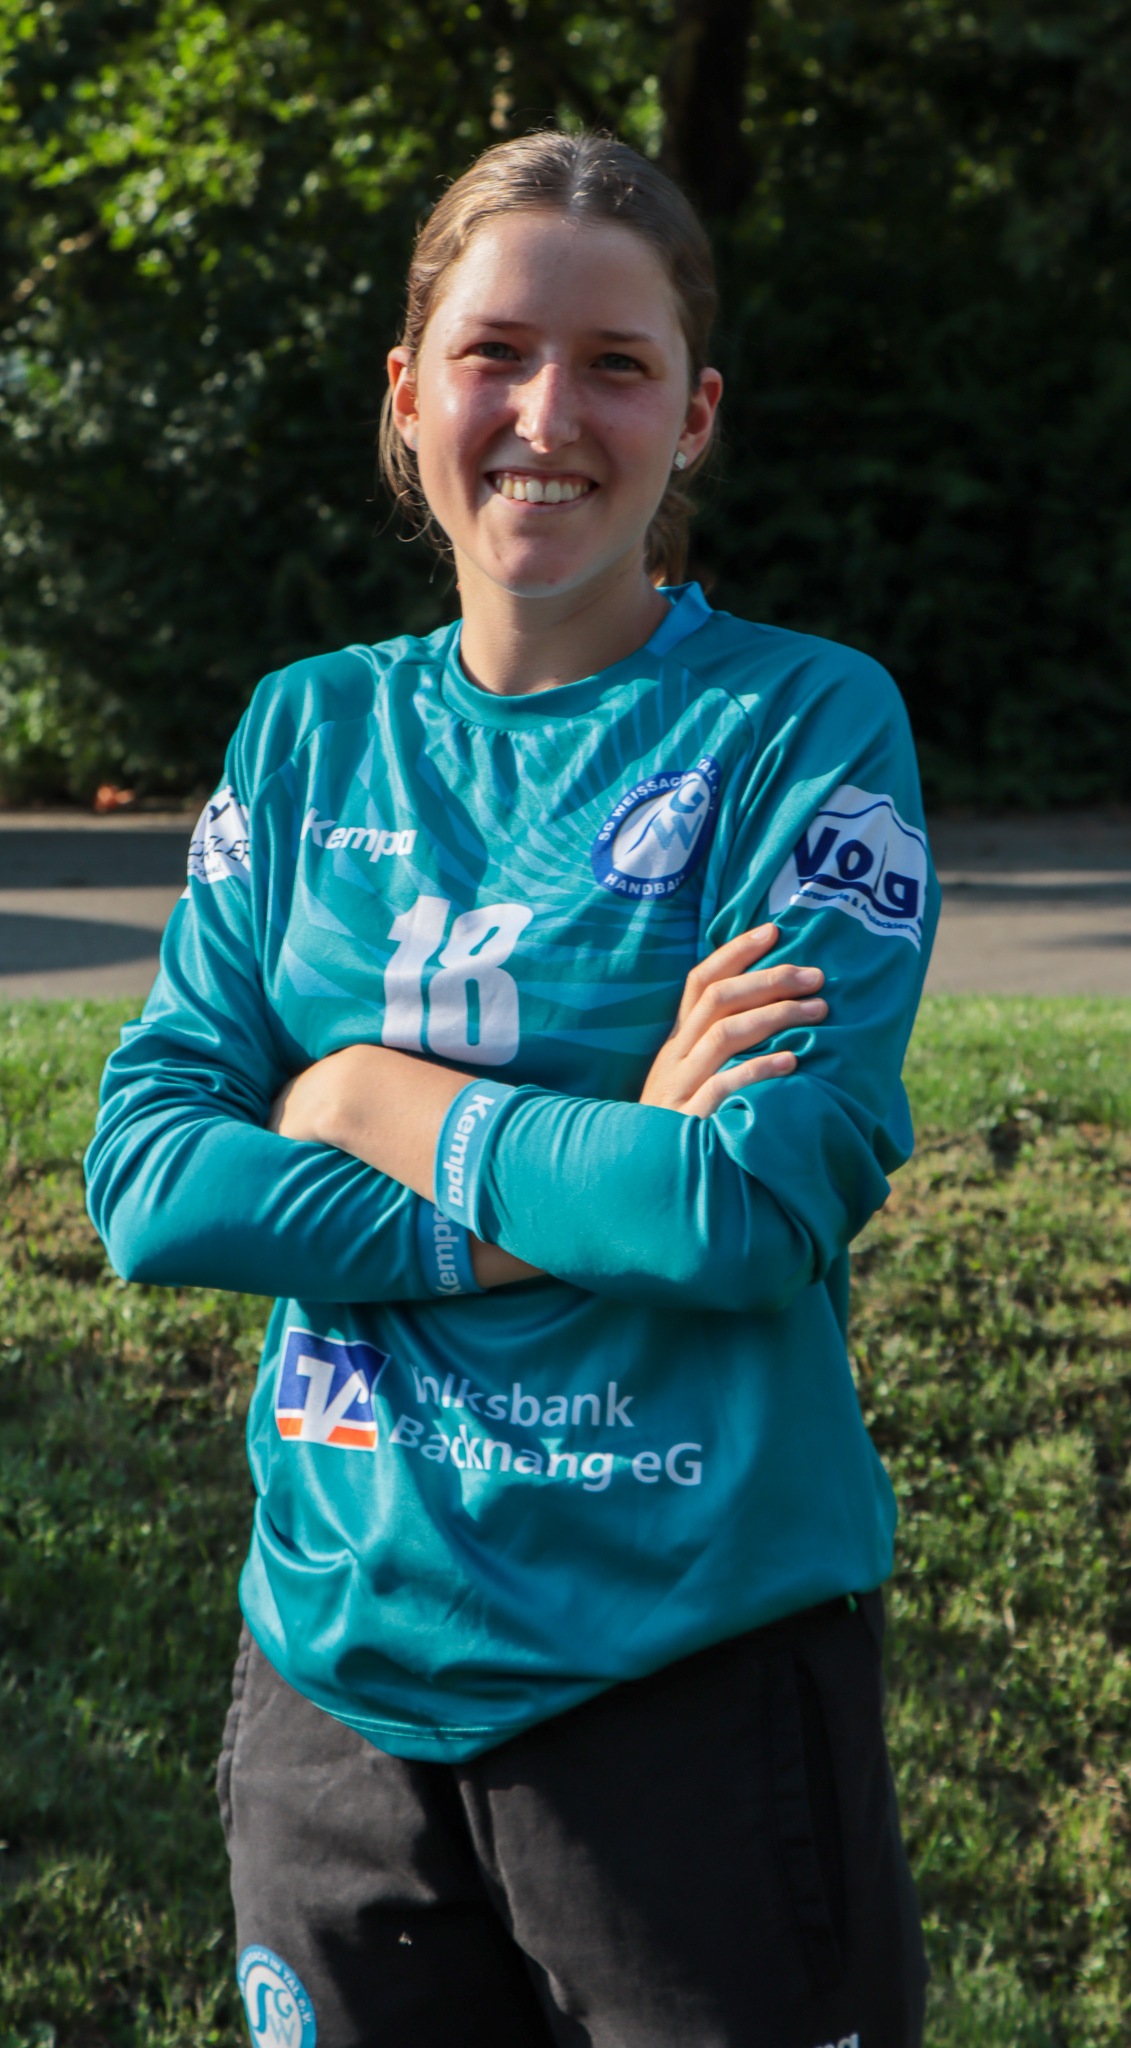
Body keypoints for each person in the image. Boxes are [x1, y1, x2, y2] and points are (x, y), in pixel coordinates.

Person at [86, 129, 936, 2048]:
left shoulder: (801, 726)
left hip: (689, 1662)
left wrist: (358, 1093)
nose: (548, 416)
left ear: (693, 416)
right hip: (336, 1672)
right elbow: (149, 1183)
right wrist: (596, 1164)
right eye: (495, 352)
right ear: (409, 394)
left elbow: (742, 1211)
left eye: (616, 365)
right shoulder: (307, 732)